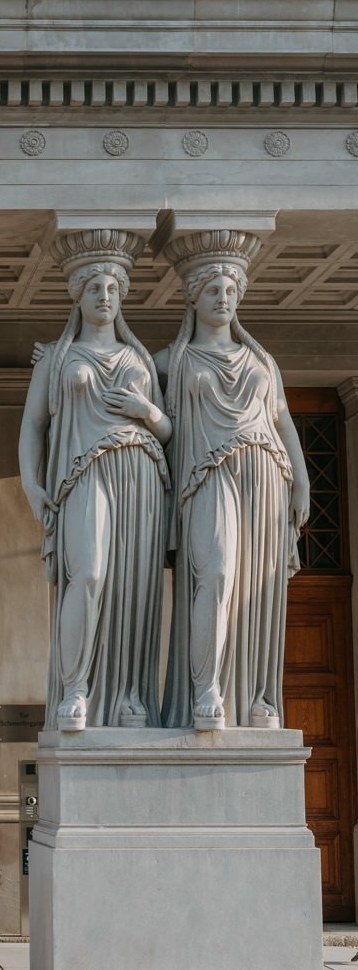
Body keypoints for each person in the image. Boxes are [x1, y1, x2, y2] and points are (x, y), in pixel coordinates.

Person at [19, 247, 171, 730]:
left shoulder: (138, 357)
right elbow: (32, 428)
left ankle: (128, 694)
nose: (104, 296)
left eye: (112, 289)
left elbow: (167, 430)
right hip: (82, 474)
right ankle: (75, 688)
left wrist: (147, 412)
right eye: (94, 289)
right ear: (78, 296)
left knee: (134, 586)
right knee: (89, 575)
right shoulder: (58, 356)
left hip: (141, 470)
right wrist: (30, 483)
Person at [158, 250, 310, 730]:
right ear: (193, 297)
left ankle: (256, 697)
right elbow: (113, 361)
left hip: (266, 473)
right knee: (218, 574)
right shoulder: (173, 359)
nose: (222, 298)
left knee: (257, 588)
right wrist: (56, 358)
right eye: (212, 290)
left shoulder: (261, 359)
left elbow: (283, 421)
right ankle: (206, 688)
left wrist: (302, 482)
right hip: (207, 474)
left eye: (229, 291)